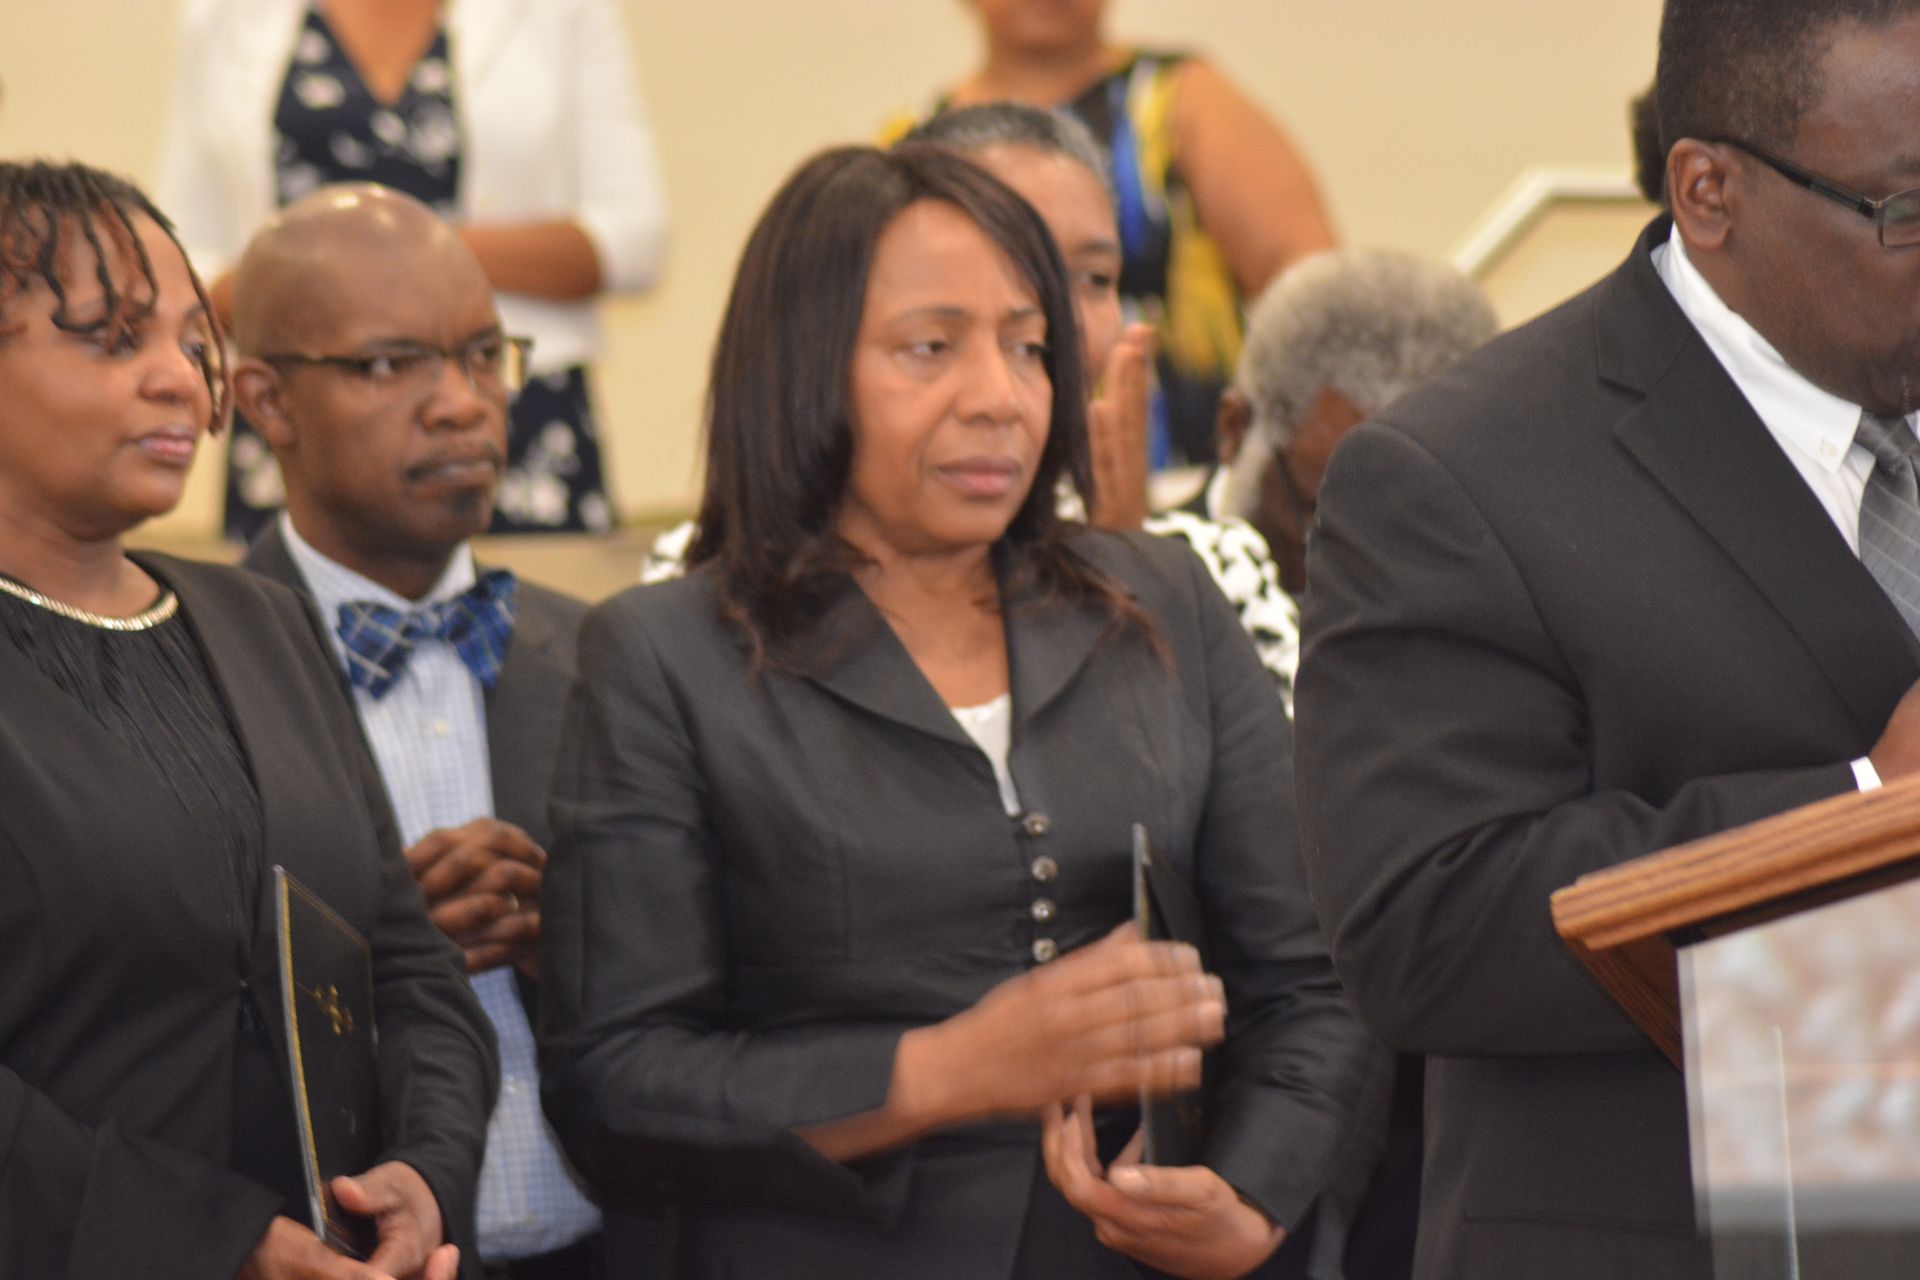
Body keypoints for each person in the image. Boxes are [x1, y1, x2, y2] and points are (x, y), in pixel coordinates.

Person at [542, 143, 1378, 1280]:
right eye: (930, 348)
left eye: (1028, 347)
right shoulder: (663, 655)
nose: (999, 397)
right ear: (801, 368)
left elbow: (1315, 981)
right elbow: (618, 1084)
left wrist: (1251, 1197)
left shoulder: (1166, 600)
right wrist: (949, 1070)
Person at [1292, 0, 1920, 1276]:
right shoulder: (1457, 475)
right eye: (1905, 210)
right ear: (1708, 191)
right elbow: (1424, 921)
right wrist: (1866, 805)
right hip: (1689, 1230)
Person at [0, 160, 495, 1280]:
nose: (179, 380)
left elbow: (409, 966)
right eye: (115, 339)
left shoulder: (260, 621)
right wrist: (214, 1243)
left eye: (193, 342)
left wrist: (424, 1174)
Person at [229, 185, 607, 1279]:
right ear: (267, 399)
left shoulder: (609, 655)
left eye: (485, 355)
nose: (462, 404)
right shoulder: (196, 666)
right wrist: (376, 953)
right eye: (392, 363)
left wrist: (582, 935)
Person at [648, 102, 1303, 701]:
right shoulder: (706, 584)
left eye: (1095, 278)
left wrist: (1123, 567)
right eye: (934, 341)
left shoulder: (1212, 567)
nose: (1062, 319)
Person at [157, 0, 669, 538]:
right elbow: (182, 261)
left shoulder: (563, 11)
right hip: (303, 430)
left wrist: (396, 253)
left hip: (512, 425)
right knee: (288, 593)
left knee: (528, 593)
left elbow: (634, 238)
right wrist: (300, 278)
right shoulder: (222, 15)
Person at [933, 0, 1337, 470]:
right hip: (992, 468)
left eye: (1095, 279)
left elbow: (1312, 289)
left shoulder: (1181, 98)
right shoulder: (923, 140)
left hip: (1193, 466)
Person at [1214, 250, 1497, 595]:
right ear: (1233, 429)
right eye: (1328, 516)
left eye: (1417, 523)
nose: (1372, 561)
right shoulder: (1169, 595)